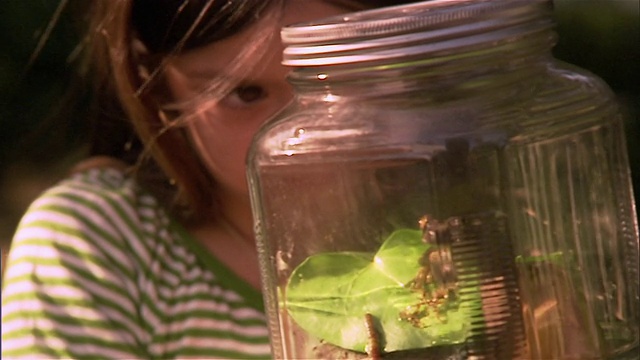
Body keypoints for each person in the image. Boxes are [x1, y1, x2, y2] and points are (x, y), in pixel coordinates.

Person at [1, 0, 421, 358]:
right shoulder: (101, 243)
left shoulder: (455, 217)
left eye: (339, 74)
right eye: (246, 93)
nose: (304, 131)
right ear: (159, 91)